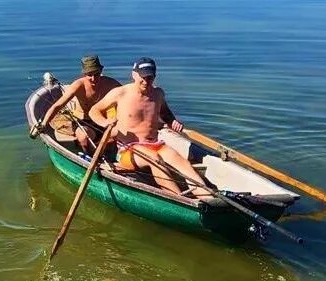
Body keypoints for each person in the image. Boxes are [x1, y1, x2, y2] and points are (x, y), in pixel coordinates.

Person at [87, 57, 216, 199]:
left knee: (183, 162)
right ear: (134, 75)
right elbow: (94, 110)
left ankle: (208, 198)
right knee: (154, 159)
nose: (146, 81)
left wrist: (172, 121)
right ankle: (178, 199)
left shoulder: (158, 94)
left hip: (155, 144)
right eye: (142, 77)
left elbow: (165, 113)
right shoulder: (121, 93)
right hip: (128, 149)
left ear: (154, 76)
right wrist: (106, 122)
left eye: (150, 77)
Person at [29, 55, 121, 152]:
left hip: (104, 121)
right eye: (90, 75)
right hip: (84, 122)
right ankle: (87, 156)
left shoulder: (111, 84)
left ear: (101, 72)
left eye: (96, 74)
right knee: (84, 137)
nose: (93, 78)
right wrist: (43, 124)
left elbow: (126, 97)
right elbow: (58, 105)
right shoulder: (78, 85)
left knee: (121, 132)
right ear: (84, 74)